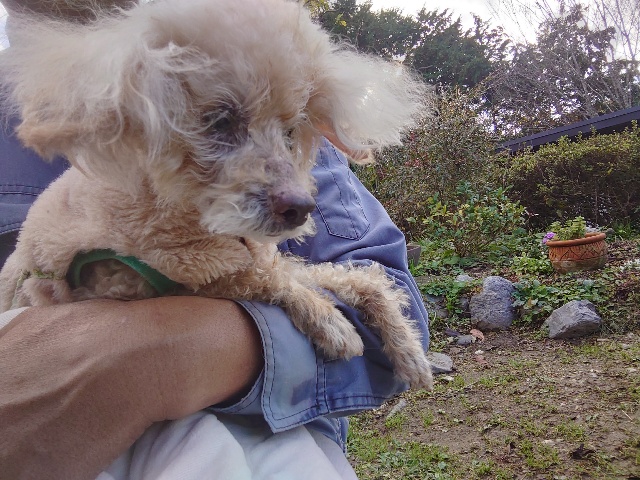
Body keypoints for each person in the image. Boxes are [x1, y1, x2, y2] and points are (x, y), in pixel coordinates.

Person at [0, 1, 430, 478]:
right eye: (219, 123)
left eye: (290, 132)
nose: (291, 182)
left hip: (255, 438)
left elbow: (384, 334)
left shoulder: (269, 69)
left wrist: (155, 360)